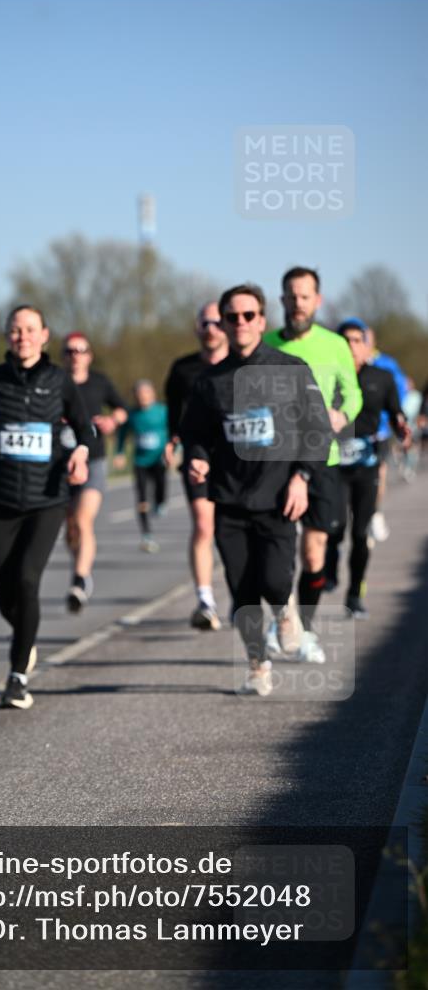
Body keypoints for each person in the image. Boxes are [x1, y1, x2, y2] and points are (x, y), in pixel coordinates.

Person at [182, 284, 331, 696]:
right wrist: (197, 457)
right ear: (223, 324)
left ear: (262, 321)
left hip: (279, 497)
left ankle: (285, 611)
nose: (241, 323)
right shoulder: (210, 380)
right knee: (242, 590)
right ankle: (257, 664)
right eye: (232, 317)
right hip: (230, 499)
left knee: (275, 580)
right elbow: (195, 434)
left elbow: (317, 430)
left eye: (249, 315)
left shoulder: (291, 369)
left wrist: (302, 477)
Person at [0, 305, 93, 710]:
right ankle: (24, 636)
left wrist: (81, 452)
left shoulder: (59, 380)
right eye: (16, 330)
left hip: (46, 501)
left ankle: (17, 678)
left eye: (30, 330)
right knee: (4, 590)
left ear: (44, 335)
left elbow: (85, 428)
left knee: (27, 580)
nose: (23, 337)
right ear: (7, 336)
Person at [264, 267, 362, 662]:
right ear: (282, 299)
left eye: (304, 296)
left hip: (322, 458)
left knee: (314, 552)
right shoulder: (266, 343)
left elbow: (352, 394)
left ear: (317, 301)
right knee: (276, 550)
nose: (297, 303)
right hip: (275, 461)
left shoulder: (335, 345)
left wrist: (342, 414)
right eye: (291, 296)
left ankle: (303, 626)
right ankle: (283, 618)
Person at [324, 320, 411, 616]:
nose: (350, 346)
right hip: (334, 463)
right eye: (344, 340)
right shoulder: (328, 377)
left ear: (366, 346)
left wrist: (401, 426)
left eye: (356, 341)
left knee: (361, 533)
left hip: (366, 464)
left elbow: (396, 411)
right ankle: (331, 566)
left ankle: (354, 594)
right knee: (334, 526)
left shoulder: (381, 377)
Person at [164, 302, 228, 630]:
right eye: (205, 324)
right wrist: (171, 440)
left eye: (217, 322)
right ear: (196, 328)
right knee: (204, 525)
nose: (211, 329)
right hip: (197, 455)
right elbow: (174, 414)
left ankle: (247, 592)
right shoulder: (183, 369)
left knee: (232, 529)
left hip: (237, 458)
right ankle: (205, 600)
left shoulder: (242, 366)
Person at [61, 332, 127, 613]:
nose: (75, 355)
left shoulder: (99, 382)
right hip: (60, 465)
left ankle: (79, 579)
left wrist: (112, 420)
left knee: (82, 519)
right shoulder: (55, 383)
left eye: (81, 350)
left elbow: (122, 409)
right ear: (63, 356)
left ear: (89, 356)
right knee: (70, 529)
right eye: (70, 351)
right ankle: (81, 567)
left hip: (93, 461)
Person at [113, 379, 168, 553]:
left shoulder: (162, 411)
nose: (142, 397)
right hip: (140, 461)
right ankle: (146, 535)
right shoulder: (132, 414)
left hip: (159, 459)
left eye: (145, 393)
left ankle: (160, 502)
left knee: (160, 488)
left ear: (152, 394)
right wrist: (119, 452)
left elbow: (175, 431)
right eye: (139, 394)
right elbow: (122, 435)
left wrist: (174, 449)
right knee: (141, 498)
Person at [365, 328, 409, 536]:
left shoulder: (386, 364)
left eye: (365, 339)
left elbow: (399, 392)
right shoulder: (346, 360)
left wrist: (397, 417)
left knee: (379, 470)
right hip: (351, 428)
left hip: (379, 427)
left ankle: (375, 511)